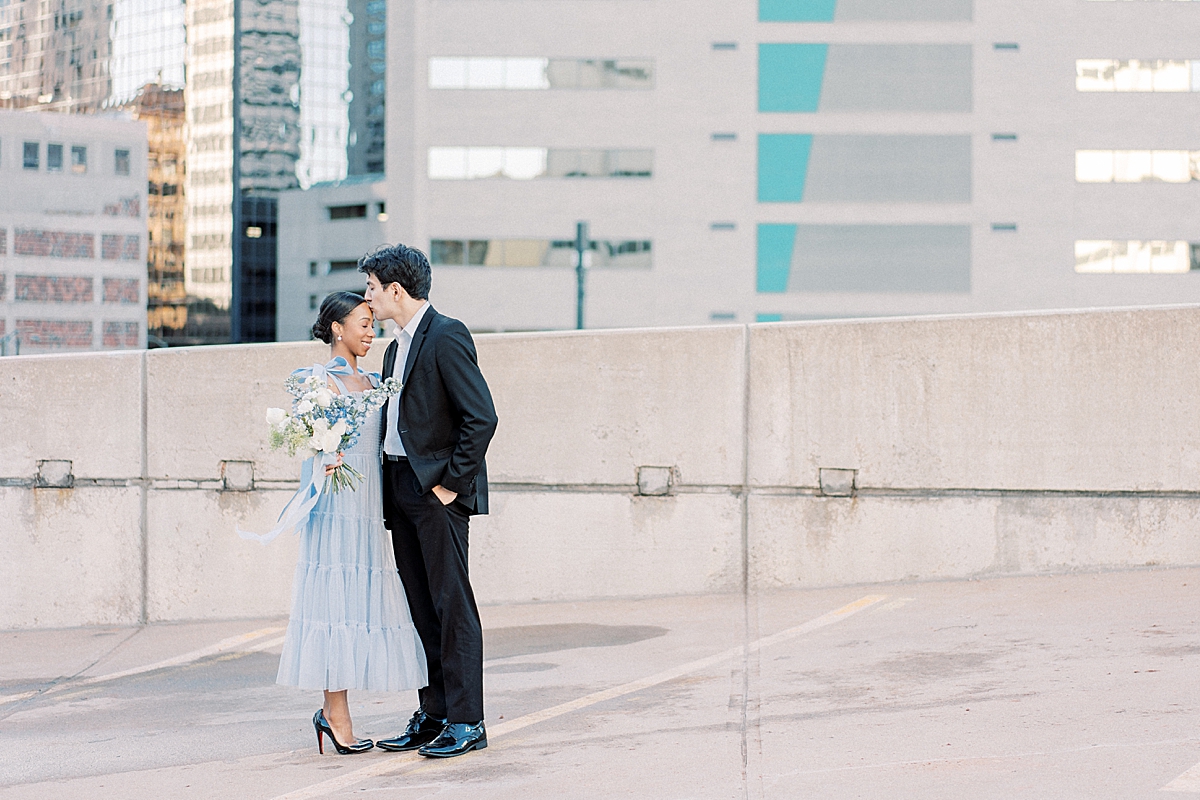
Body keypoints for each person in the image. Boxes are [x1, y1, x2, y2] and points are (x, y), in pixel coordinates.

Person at [245, 291, 428, 755]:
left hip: (368, 507)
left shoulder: (375, 379)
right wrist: (322, 456)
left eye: (372, 323)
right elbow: (304, 442)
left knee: (359, 606)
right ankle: (335, 713)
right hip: (334, 507)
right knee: (333, 604)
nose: (371, 331)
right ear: (336, 329)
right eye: (362, 323)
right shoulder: (314, 380)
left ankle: (338, 712)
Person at [360, 244, 499, 759]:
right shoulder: (395, 347)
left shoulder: (446, 335)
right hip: (399, 488)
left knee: (451, 606)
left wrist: (450, 485)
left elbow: (481, 418)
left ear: (396, 289)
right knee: (422, 609)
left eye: (371, 288)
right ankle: (436, 713)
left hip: (435, 493)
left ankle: (468, 720)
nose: (367, 298)